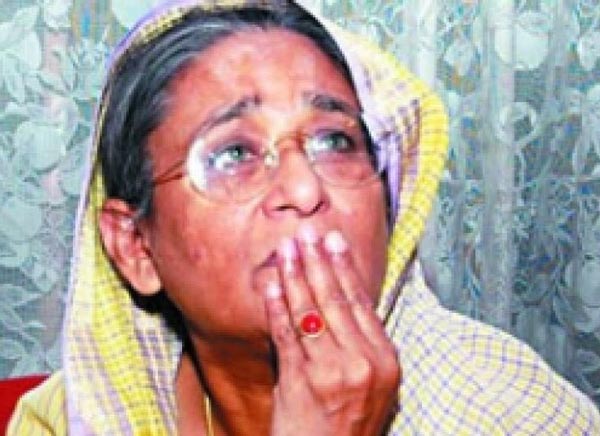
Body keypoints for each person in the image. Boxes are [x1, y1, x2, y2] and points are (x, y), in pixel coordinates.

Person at [8, 0, 600, 434]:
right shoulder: (72, 418)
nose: (303, 187)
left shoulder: (509, 413)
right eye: (233, 154)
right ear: (136, 247)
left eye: (336, 141)